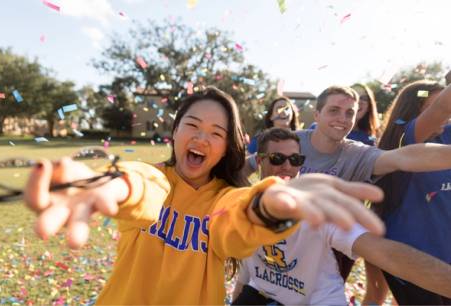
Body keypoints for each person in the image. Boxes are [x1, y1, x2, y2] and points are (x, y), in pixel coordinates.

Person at [24, 87, 385, 305]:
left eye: (215, 133)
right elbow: (142, 187)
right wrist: (108, 184)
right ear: (175, 132)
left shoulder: (225, 197)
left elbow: (237, 218)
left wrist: (267, 206)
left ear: (227, 146)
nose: (201, 138)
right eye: (192, 126)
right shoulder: (155, 178)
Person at [232, 127, 451, 305]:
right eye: (277, 158)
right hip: (264, 295)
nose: (288, 167)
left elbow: (386, 254)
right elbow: (247, 272)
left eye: (296, 159)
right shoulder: (244, 203)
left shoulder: (318, 209)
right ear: (260, 161)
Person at [376, 80, 451, 305]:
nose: (444, 116)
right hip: (410, 261)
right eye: (431, 105)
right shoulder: (404, 135)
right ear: (414, 108)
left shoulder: (447, 133)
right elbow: (442, 108)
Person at [308, 83, 379, 146]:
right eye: (353, 97)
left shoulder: (369, 142)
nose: (358, 102)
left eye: (363, 98)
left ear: (369, 106)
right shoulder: (316, 128)